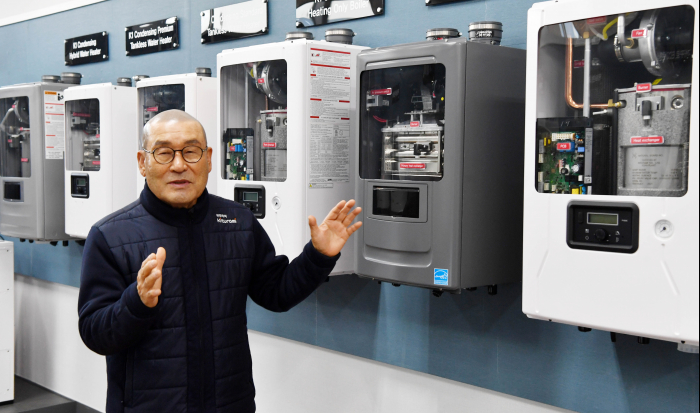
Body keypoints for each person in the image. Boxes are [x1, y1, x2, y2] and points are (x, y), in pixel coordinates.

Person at [77, 110, 362, 413]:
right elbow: (95, 333)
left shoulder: (238, 222)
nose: (178, 165)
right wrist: (136, 302)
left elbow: (277, 292)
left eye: (191, 152)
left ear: (209, 158)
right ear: (142, 162)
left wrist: (319, 255)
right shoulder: (110, 236)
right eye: (163, 153)